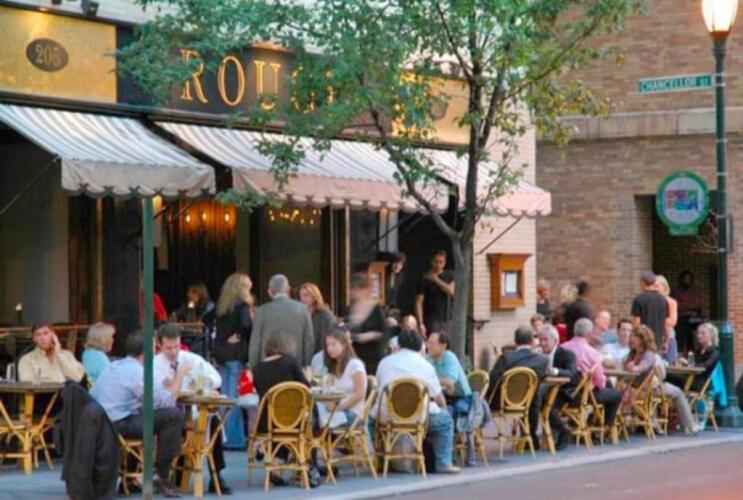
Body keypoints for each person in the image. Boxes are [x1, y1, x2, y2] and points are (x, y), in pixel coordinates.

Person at [91, 334, 187, 498]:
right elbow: (167, 401)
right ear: (146, 353)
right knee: (173, 416)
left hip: (100, 422)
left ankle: (131, 478)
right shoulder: (138, 372)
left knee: (143, 414)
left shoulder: (113, 366)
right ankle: (162, 475)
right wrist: (180, 374)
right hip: (118, 424)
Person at [153, 323, 230, 494]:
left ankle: (217, 475)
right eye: (168, 348)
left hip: (193, 409)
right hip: (169, 412)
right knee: (177, 424)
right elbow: (162, 394)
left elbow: (216, 378)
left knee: (213, 421)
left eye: (176, 346)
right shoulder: (155, 365)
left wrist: (204, 385)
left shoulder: (191, 359)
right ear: (159, 345)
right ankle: (174, 474)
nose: (174, 352)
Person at [373, 329, 460, 473]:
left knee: (371, 421)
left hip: (387, 417)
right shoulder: (425, 365)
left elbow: (378, 390)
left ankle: (377, 460)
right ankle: (444, 463)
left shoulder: (384, 362)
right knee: (445, 421)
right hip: (417, 417)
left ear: (399, 344)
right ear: (420, 345)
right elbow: (438, 397)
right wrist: (444, 410)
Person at [252, 333, 318, 487]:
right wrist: (309, 377)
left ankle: (274, 463)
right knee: (309, 421)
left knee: (281, 425)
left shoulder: (258, 368)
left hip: (266, 420)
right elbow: (305, 388)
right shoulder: (290, 362)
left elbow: (259, 389)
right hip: (291, 419)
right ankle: (310, 466)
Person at [488, 326, 549, 448]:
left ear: (515, 341)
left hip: (504, 402)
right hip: (528, 403)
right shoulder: (542, 360)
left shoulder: (506, 358)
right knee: (536, 391)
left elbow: (493, 379)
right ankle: (530, 434)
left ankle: (527, 436)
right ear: (532, 341)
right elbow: (542, 378)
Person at [214, 272, 254, 449]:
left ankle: (222, 436)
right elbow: (247, 325)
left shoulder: (222, 306)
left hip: (221, 353)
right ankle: (233, 439)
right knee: (235, 399)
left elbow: (207, 320)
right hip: (236, 355)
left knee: (224, 398)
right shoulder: (242, 306)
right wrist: (239, 335)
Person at [561, 318, 621, 428]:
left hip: (563, 393)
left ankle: (589, 422)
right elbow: (600, 381)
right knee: (616, 395)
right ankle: (605, 427)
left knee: (607, 387)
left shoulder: (563, 347)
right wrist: (602, 383)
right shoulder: (591, 352)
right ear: (589, 333)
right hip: (584, 395)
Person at [249, 274, 314, 369]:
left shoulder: (261, 311)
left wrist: (253, 367)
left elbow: (255, 342)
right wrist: (307, 365)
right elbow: (309, 341)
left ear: (269, 292)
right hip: (295, 366)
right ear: (288, 289)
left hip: (268, 367)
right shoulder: (303, 309)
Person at [537, 324, 578, 451]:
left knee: (545, 404)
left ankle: (563, 432)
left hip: (564, 391)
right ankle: (530, 437)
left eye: (545, 340)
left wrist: (556, 371)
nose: (542, 343)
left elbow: (572, 374)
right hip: (543, 390)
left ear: (555, 340)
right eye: (540, 340)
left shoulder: (566, 354)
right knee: (531, 402)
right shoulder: (537, 355)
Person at [322, 324, 367, 425]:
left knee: (318, 422)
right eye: (328, 345)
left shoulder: (355, 364)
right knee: (311, 417)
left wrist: (340, 408)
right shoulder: (333, 367)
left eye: (333, 344)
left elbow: (360, 394)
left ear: (344, 344)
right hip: (336, 411)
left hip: (353, 413)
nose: (329, 348)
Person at [345, 273, 386, 375]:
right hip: (355, 355)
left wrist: (367, 336)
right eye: (351, 289)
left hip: (372, 355)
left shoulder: (376, 309)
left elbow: (383, 333)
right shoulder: (350, 308)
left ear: (365, 290)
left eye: (356, 289)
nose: (352, 292)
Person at [19, 323, 85, 384]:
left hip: (67, 391)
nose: (42, 338)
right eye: (38, 335)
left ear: (53, 335)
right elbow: (26, 380)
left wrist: (59, 354)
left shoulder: (67, 355)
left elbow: (77, 377)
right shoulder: (26, 359)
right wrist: (57, 380)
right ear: (34, 338)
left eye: (46, 333)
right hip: (44, 392)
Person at [415, 250, 455, 337]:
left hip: (448, 317)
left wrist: (436, 280)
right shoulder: (424, 278)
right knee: (434, 340)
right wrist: (421, 323)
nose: (438, 265)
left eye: (441, 262)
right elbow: (419, 302)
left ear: (445, 263)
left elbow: (451, 291)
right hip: (431, 318)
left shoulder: (450, 275)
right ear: (431, 261)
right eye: (436, 262)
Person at [672, 322, 720, 392]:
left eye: (703, 333)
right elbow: (691, 365)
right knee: (669, 375)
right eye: (698, 333)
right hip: (691, 378)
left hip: (701, 383)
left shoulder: (715, 352)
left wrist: (687, 363)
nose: (699, 336)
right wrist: (682, 364)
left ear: (711, 335)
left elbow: (705, 366)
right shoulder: (698, 351)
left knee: (669, 376)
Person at [426, 332, 472, 402]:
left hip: (461, 398)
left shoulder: (450, 357)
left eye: (432, 343)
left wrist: (429, 380)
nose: (428, 346)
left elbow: (449, 382)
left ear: (443, 346)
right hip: (444, 396)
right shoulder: (429, 358)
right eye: (428, 343)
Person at [631, 271, 668, 353]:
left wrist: (635, 341)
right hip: (658, 342)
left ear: (642, 283)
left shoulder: (639, 299)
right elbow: (665, 323)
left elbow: (636, 323)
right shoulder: (663, 300)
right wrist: (666, 341)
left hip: (643, 343)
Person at [299, 282, 336, 354]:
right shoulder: (301, 315)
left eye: (306, 295)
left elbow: (331, 336)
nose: (302, 299)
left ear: (314, 296)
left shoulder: (325, 315)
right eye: (301, 296)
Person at [671, 270, 704, 354]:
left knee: (692, 341)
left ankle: (692, 356)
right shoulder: (676, 292)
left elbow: (698, 304)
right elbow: (675, 305)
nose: (686, 281)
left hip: (692, 320)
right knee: (679, 341)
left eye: (688, 279)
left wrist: (684, 305)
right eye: (685, 279)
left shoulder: (695, 292)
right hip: (680, 319)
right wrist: (688, 305)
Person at [656, 275, 678, 365]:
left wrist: (657, 319)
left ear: (664, 287)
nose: (654, 289)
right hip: (653, 338)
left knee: (669, 364)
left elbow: (672, 321)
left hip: (668, 338)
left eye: (657, 286)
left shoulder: (671, 302)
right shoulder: (650, 302)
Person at [386, 252, 407, 318]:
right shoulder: (383, 274)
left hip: (394, 310)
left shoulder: (400, 277)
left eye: (400, 264)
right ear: (391, 263)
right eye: (396, 263)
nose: (397, 266)